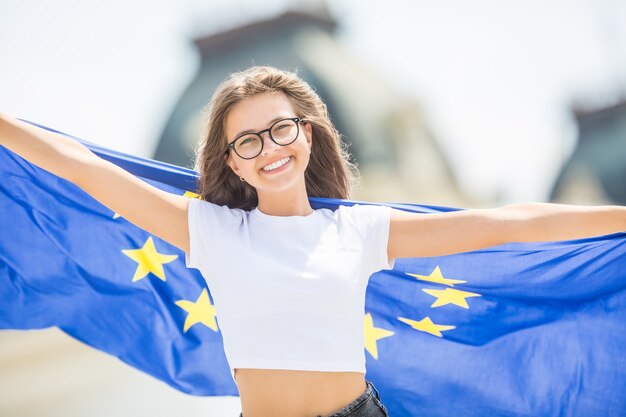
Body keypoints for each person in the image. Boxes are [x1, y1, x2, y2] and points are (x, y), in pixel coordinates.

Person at [0, 65, 624, 417]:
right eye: (248, 141)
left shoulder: (360, 229)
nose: (268, 149)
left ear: (308, 135)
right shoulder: (211, 231)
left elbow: (506, 224)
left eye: (280, 130)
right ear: (233, 163)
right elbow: (81, 167)